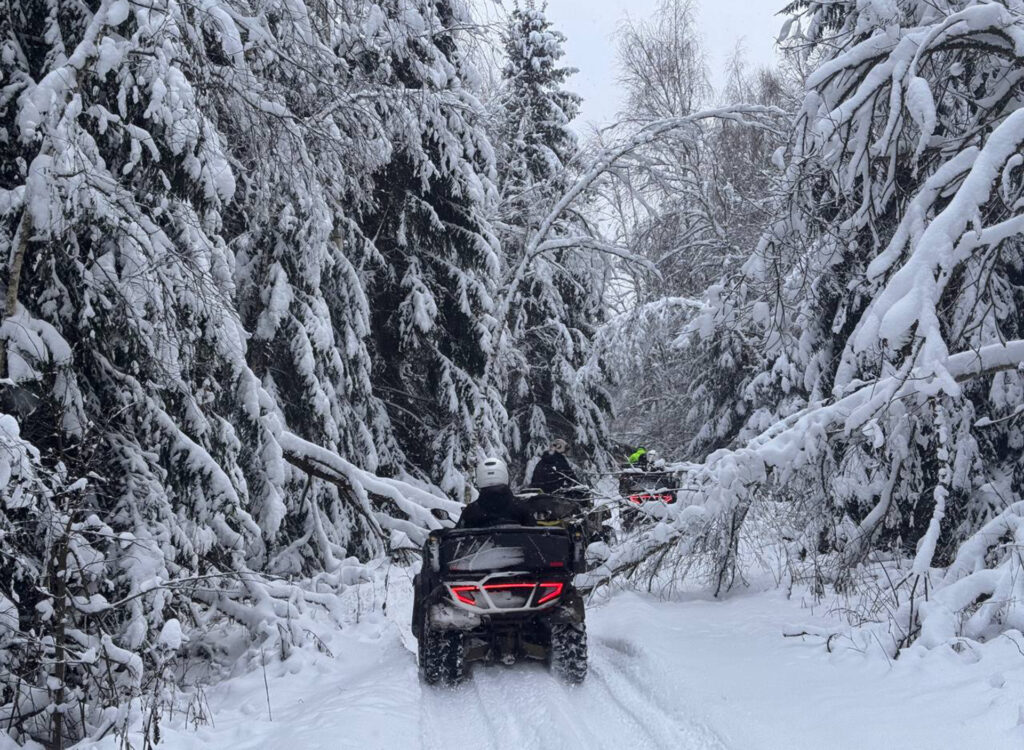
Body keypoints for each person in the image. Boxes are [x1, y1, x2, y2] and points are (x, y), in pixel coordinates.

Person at [456, 457, 535, 528]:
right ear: (505, 476)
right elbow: (536, 537)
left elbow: (457, 537)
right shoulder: (521, 508)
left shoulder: (471, 511)